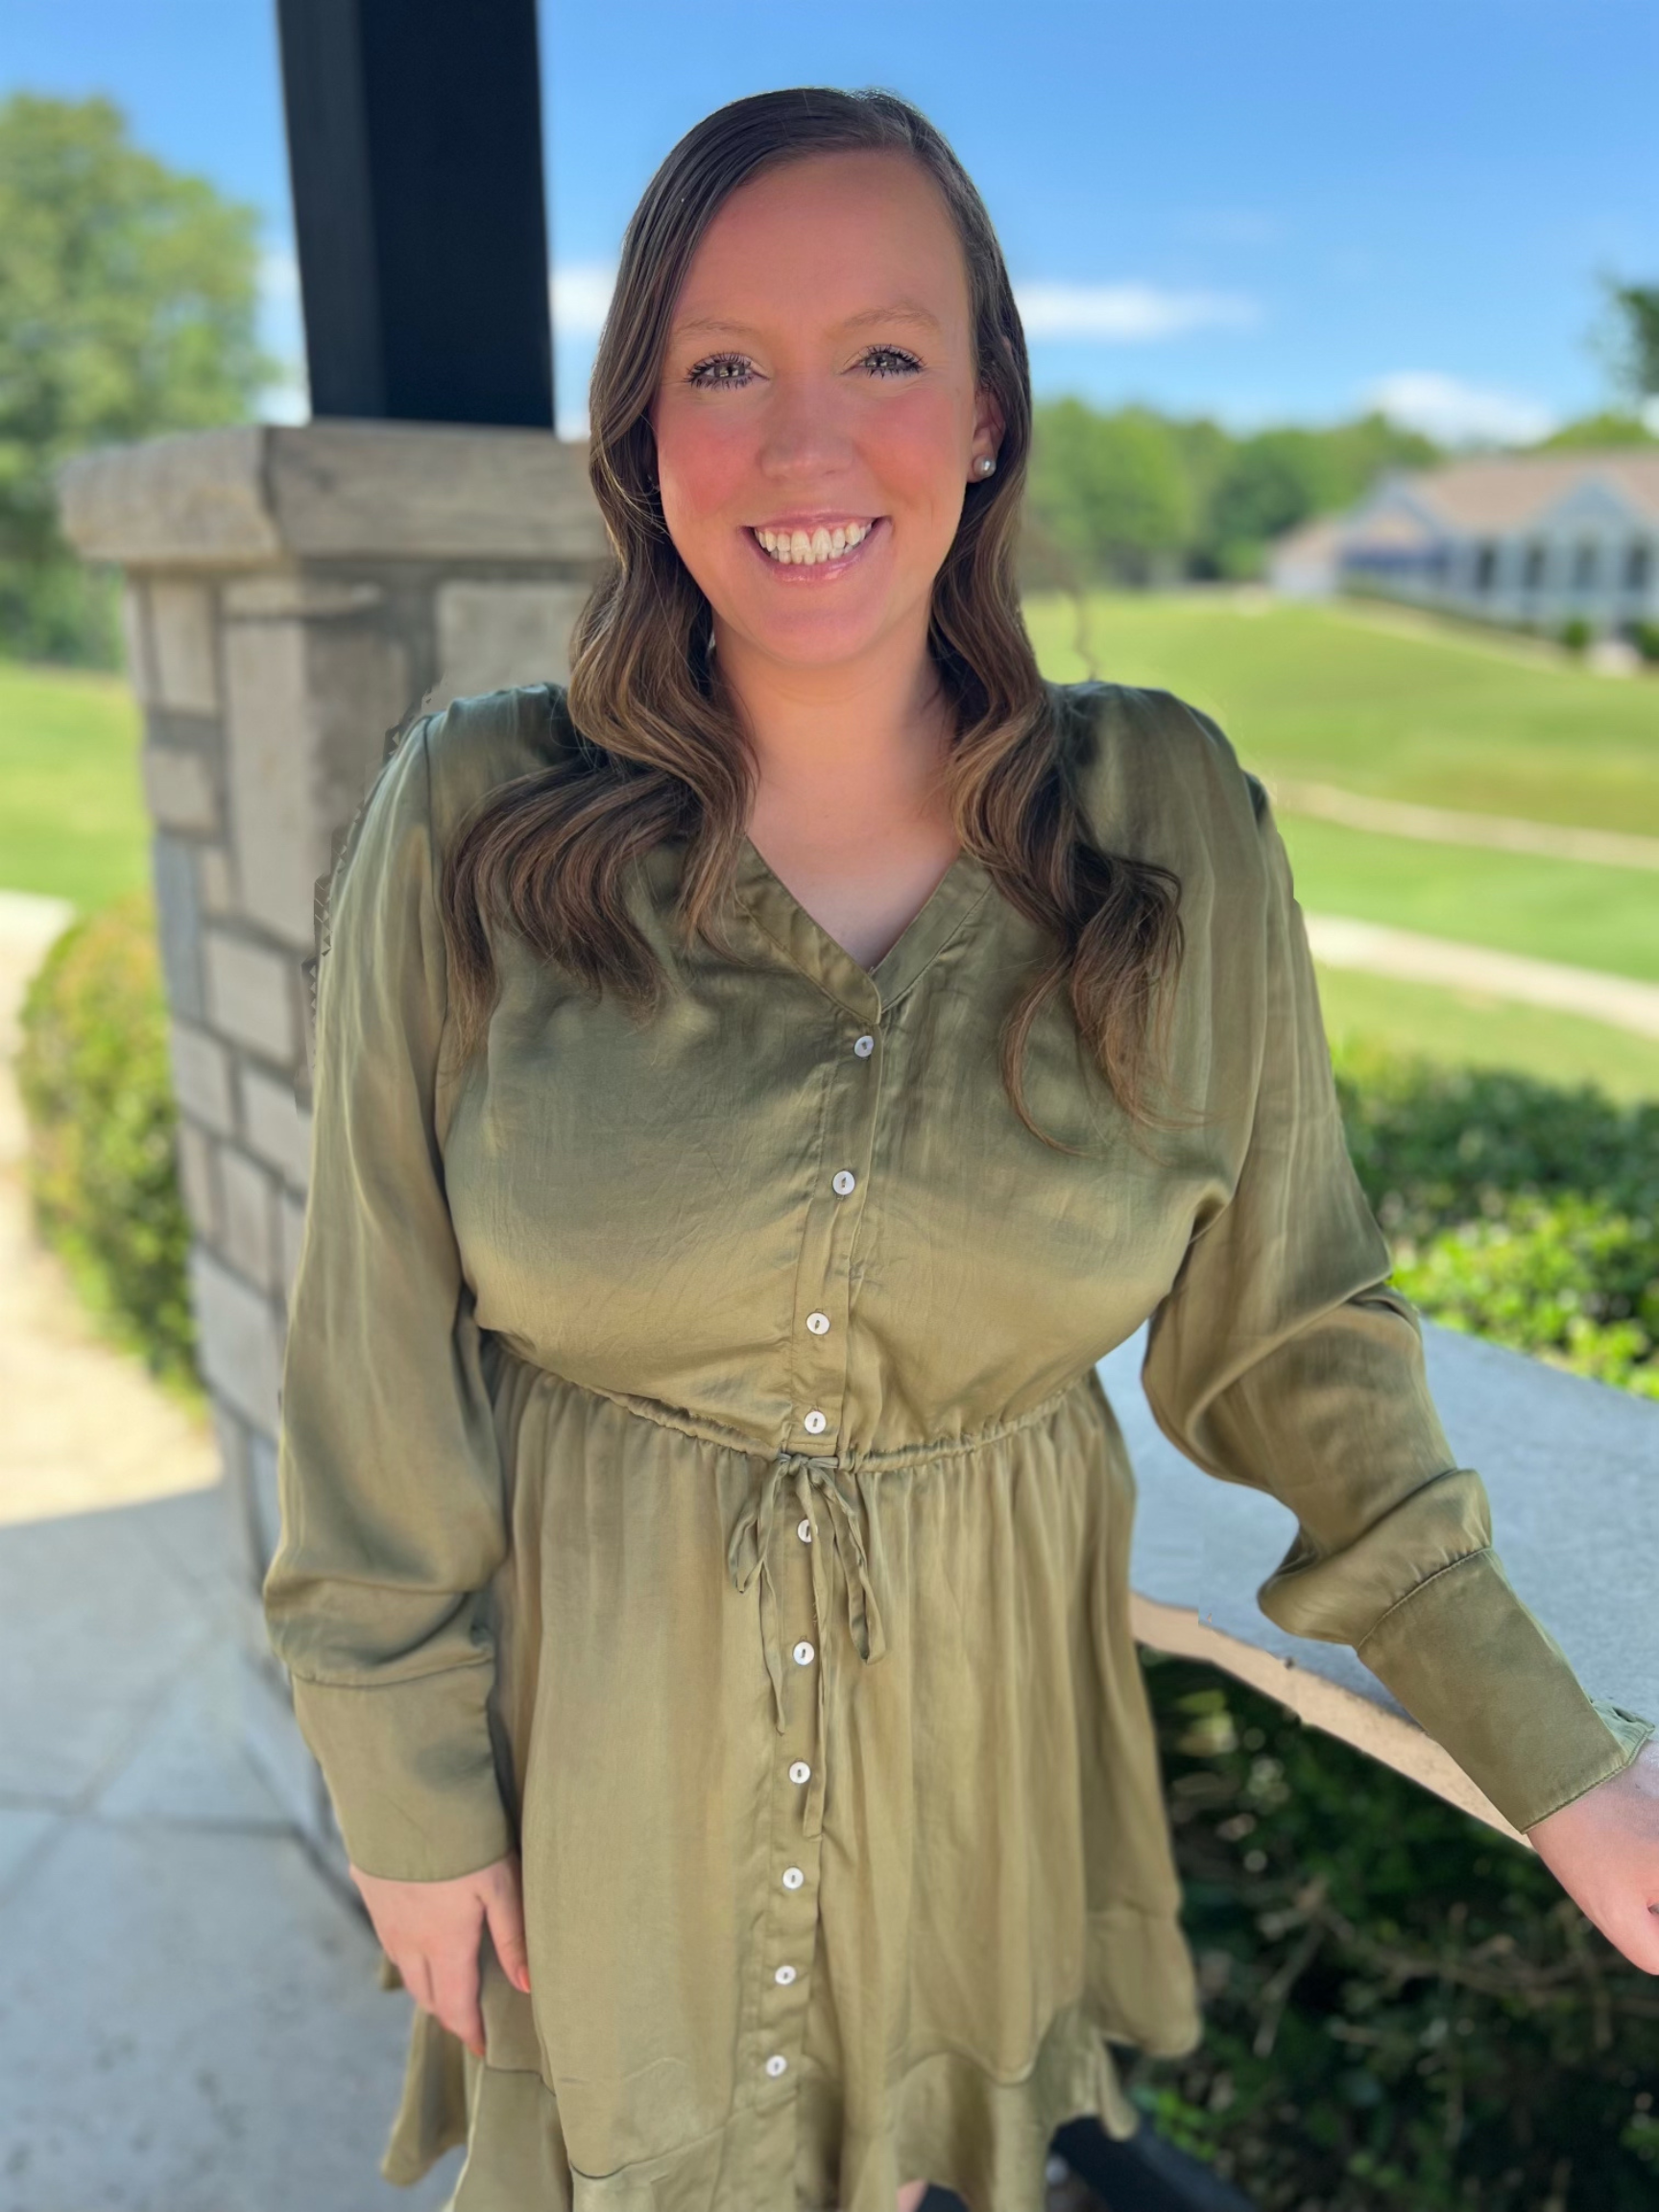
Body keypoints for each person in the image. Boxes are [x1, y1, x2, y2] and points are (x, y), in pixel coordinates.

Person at [262, 84, 1659, 2212]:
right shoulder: (471, 814)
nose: (803, 449)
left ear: (992, 407)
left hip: (987, 1771)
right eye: (721, 367)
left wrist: (1563, 1768)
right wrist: (403, 1780)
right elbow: (363, 1337)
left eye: (885, 357)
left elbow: (1289, 1349)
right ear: (640, 431)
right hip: (594, 1781)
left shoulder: (1167, 822)